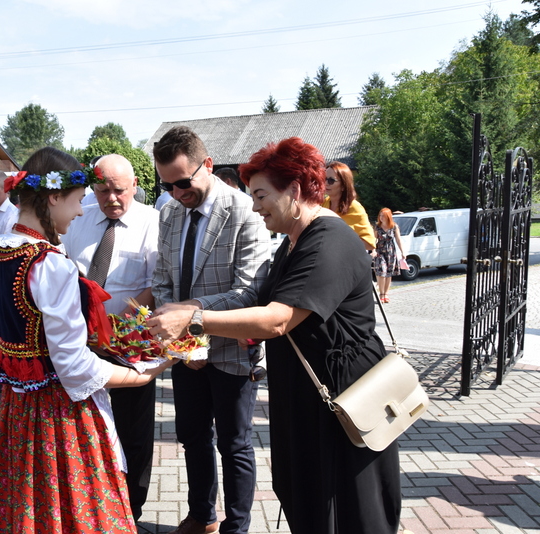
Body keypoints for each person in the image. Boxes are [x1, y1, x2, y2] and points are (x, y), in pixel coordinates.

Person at [148, 137, 402, 534]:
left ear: (295, 190)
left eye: (262, 194)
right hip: (308, 397)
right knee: (308, 498)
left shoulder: (329, 241)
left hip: (342, 400)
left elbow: (276, 320)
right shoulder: (293, 242)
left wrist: (193, 319)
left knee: (350, 508)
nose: (254, 205)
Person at [0, 146, 173, 533]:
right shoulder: (50, 264)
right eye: (75, 200)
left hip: (21, 408)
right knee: (78, 507)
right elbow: (73, 366)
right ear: (52, 197)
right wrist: (141, 376)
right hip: (58, 412)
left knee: (31, 503)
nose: (82, 210)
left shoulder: (0, 252)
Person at [151, 126, 271, 534]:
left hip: (232, 349)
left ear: (207, 165)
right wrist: (186, 344)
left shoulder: (243, 209)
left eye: (183, 183)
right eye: (165, 185)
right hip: (186, 352)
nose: (175, 193)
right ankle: (202, 515)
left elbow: (249, 290)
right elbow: (163, 278)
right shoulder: (168, 211)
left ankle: (236, 527)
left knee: (234, 445)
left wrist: (192, 320)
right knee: (191, 437)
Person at [61, 153, 159, 522]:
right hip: (83, 346)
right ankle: (94, 505)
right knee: (89, 429)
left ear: (135, 186)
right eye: (102, 191)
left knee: (133, 432)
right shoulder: (81, 219)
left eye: (119, 190)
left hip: (128, 347)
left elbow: (156, 284)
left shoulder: (152, 222)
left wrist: (117, 328)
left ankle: (132, 509)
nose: (111, 199)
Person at [323, 161, 375, 250]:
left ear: (343, 185)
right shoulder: (322, 203)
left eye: (331, 180)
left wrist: (337, 244)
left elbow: (369, 243)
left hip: (346, 261)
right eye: (324, 179)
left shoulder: (355, 207)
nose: (326, 183)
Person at [374, 208, 406, 303]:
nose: (381, 217)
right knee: (381, 272)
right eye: (380, 215)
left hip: (391, 252)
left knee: (388, 273)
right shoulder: (377, 227)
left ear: (388, 216)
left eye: (383, 215)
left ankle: (386, 294)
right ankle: (381, 294)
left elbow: (398, 240)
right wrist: (373, 250)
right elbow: (374, 239)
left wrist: (403, 252)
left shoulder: (394, 226)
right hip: (380, 252)